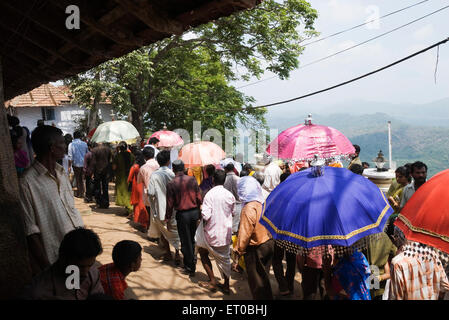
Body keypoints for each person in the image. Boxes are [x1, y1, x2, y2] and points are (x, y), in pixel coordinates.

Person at [19, 125, 84, 275]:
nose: (65, 146)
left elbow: (71, 209)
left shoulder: (61, 173)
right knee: (64, 293)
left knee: (76, 291)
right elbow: (31, 231)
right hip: (55, 259)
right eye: (62, 143)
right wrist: (47, 267)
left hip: (78, 250)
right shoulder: (27, 182)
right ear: (52, 148)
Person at [22, 228, 104, 300]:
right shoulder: (38, 292)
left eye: (90, 265)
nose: (85, 273)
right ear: (63, 259)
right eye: (80, 267)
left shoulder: (92, 273)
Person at [196, 170, 235, 294]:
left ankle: (212, 281)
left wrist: (202, 210)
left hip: (211, 232)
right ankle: (227, 285)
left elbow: (206, 216)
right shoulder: (230, 195)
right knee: (225, 259)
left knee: (202, 252)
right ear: (224, 180)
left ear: (213, 179)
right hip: (225, 233)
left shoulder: (209, 195)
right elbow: (232, 212)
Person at [235, 175, 274, 300]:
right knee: (264, 277)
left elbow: (244, 233)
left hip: (256, 248)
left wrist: (238, 251)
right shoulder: (262, 203)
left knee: (256, 281)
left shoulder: (248, 208)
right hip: (268, 242)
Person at [165, 160, 202, 277]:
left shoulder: (171, 183)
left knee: (185, 241)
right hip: (194, 212)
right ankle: (191, 259)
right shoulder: (192, 180)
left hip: (183, 215)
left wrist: (167, 219)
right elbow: (199, 197)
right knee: (192, 238)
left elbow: (169, 204)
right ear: (183, 168)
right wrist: (200, 214)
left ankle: (190, 266)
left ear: (173, 169)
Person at [388, 228, 449, 300]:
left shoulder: (397, 263)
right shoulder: (431, 254)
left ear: (398, 237)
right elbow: (445, 285)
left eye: (394, 237)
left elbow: (395, 297)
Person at [148, 150, 181, 263]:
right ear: (168, 161)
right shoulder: (173, 174)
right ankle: (177, 253)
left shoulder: (155, 175)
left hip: (160, 208)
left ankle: (168, 253)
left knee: (163, 230)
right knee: (175, 230)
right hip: (174, 209)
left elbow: (151, 192)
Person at [364, 233, 396, 299]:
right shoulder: (385, 237)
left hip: (368, 276)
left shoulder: (364, 238)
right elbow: (395, 252)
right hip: (381, 278)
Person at [137, 146, 160, 240]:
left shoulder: (143, 167)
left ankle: (152, 234)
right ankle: (159, 234)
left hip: (148, 193)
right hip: (159, 192)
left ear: (144, 156)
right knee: (158, 214)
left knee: (150, 214)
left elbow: (139, 181)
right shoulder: (159, 165)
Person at [128, 151, 149, 232]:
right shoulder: (145, 166)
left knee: (138, 204)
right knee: (143, 204)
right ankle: (146, 222)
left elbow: (129, 178)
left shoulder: (134, 167)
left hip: (136, 186)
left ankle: (142, 223)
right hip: (144, 186)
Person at [112, 141, 134, 212]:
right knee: (129, 192)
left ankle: (128, 208)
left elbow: (114, 167)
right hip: (130, 176)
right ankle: (129, 208)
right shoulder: (132, 156)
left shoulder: (117, 156)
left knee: (123, 191)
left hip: (121, 177)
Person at [68, 131, 88, 198]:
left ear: (73, 137)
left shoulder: (71, 144)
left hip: (75, 164)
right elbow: (87, 153)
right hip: (84, 164)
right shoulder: (84, 144)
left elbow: (70, 156)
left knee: (77, 178)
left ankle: (79, 193)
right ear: (80, 136)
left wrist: (69, 166)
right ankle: (83, 192)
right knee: (82, 178)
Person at [91, 142, 112, 209]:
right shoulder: (108, 149)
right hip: (106, 170)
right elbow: (109, 160)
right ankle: (106, 203)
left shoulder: (94, 150)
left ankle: (99, 202)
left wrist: (92, 171)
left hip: (97, 170)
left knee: (97, 187)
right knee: (105, 187)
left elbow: (93, 162)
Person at [224, 163, 241, 234]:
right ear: (233, 169)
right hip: (238, 204)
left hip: (227, 205)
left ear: (226, 169)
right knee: (235, 228)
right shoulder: (239, 179)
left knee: (226, 226)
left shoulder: (224, 179)